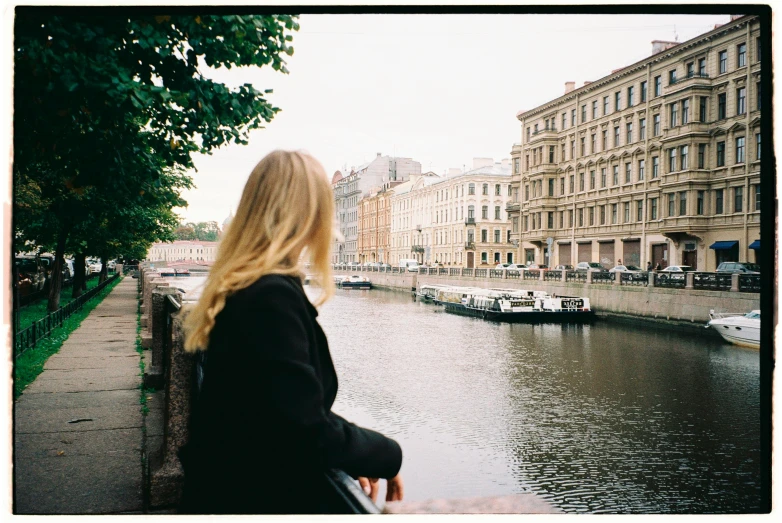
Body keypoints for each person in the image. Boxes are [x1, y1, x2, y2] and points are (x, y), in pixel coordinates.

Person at [179, 150, 403, 514]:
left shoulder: (245, 287)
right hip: (251, 499)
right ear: (311, 215)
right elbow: (303, 428)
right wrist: (388, 454)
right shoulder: (269, 296)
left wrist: (350, 455)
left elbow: (275, 407)